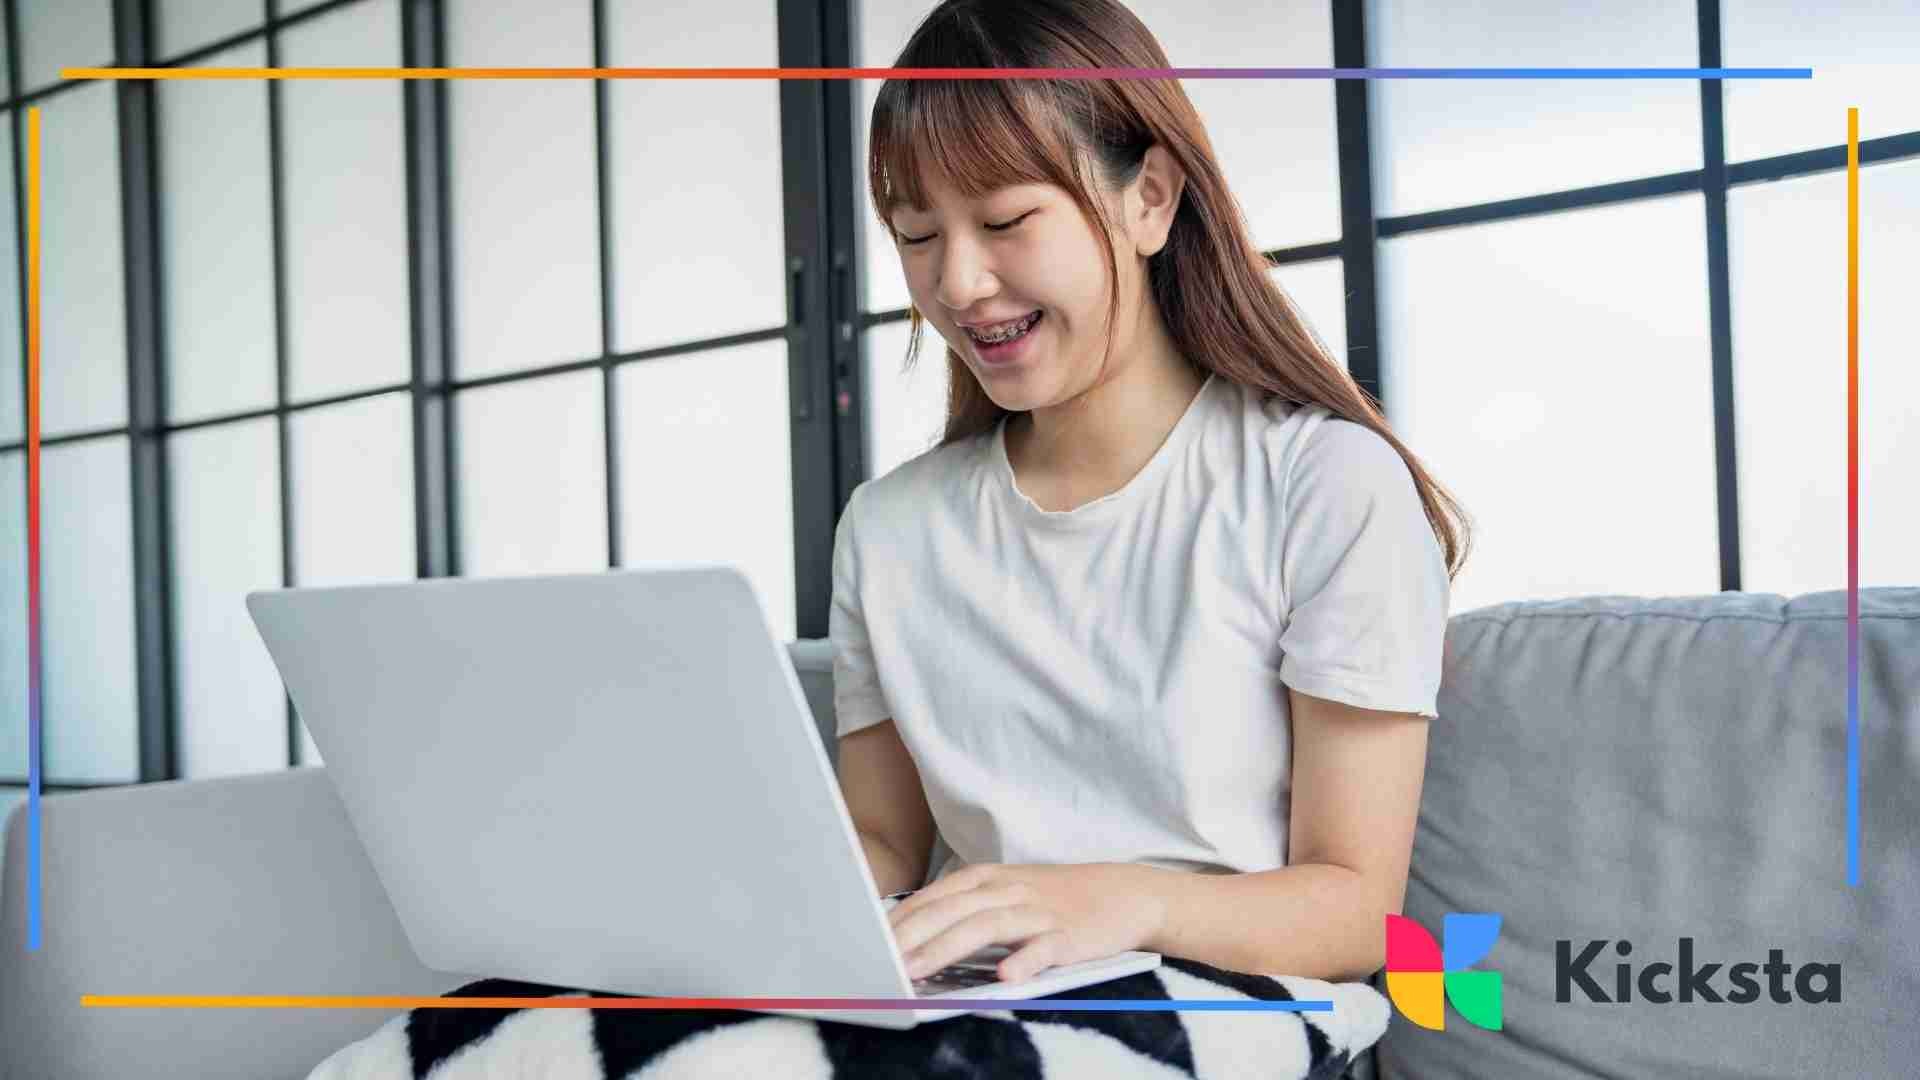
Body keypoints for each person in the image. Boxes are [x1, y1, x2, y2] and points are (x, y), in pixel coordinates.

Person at [832, 0, 1473, 992]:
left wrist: (1122, 900)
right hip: (970, 1008)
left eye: (1005, 221)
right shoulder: (887, 531)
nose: (957, 283)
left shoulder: (1323, 486)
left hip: (1231, 1010)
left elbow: (1357, 911)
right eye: (918, 236)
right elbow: (879, 845)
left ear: (1152, 199)